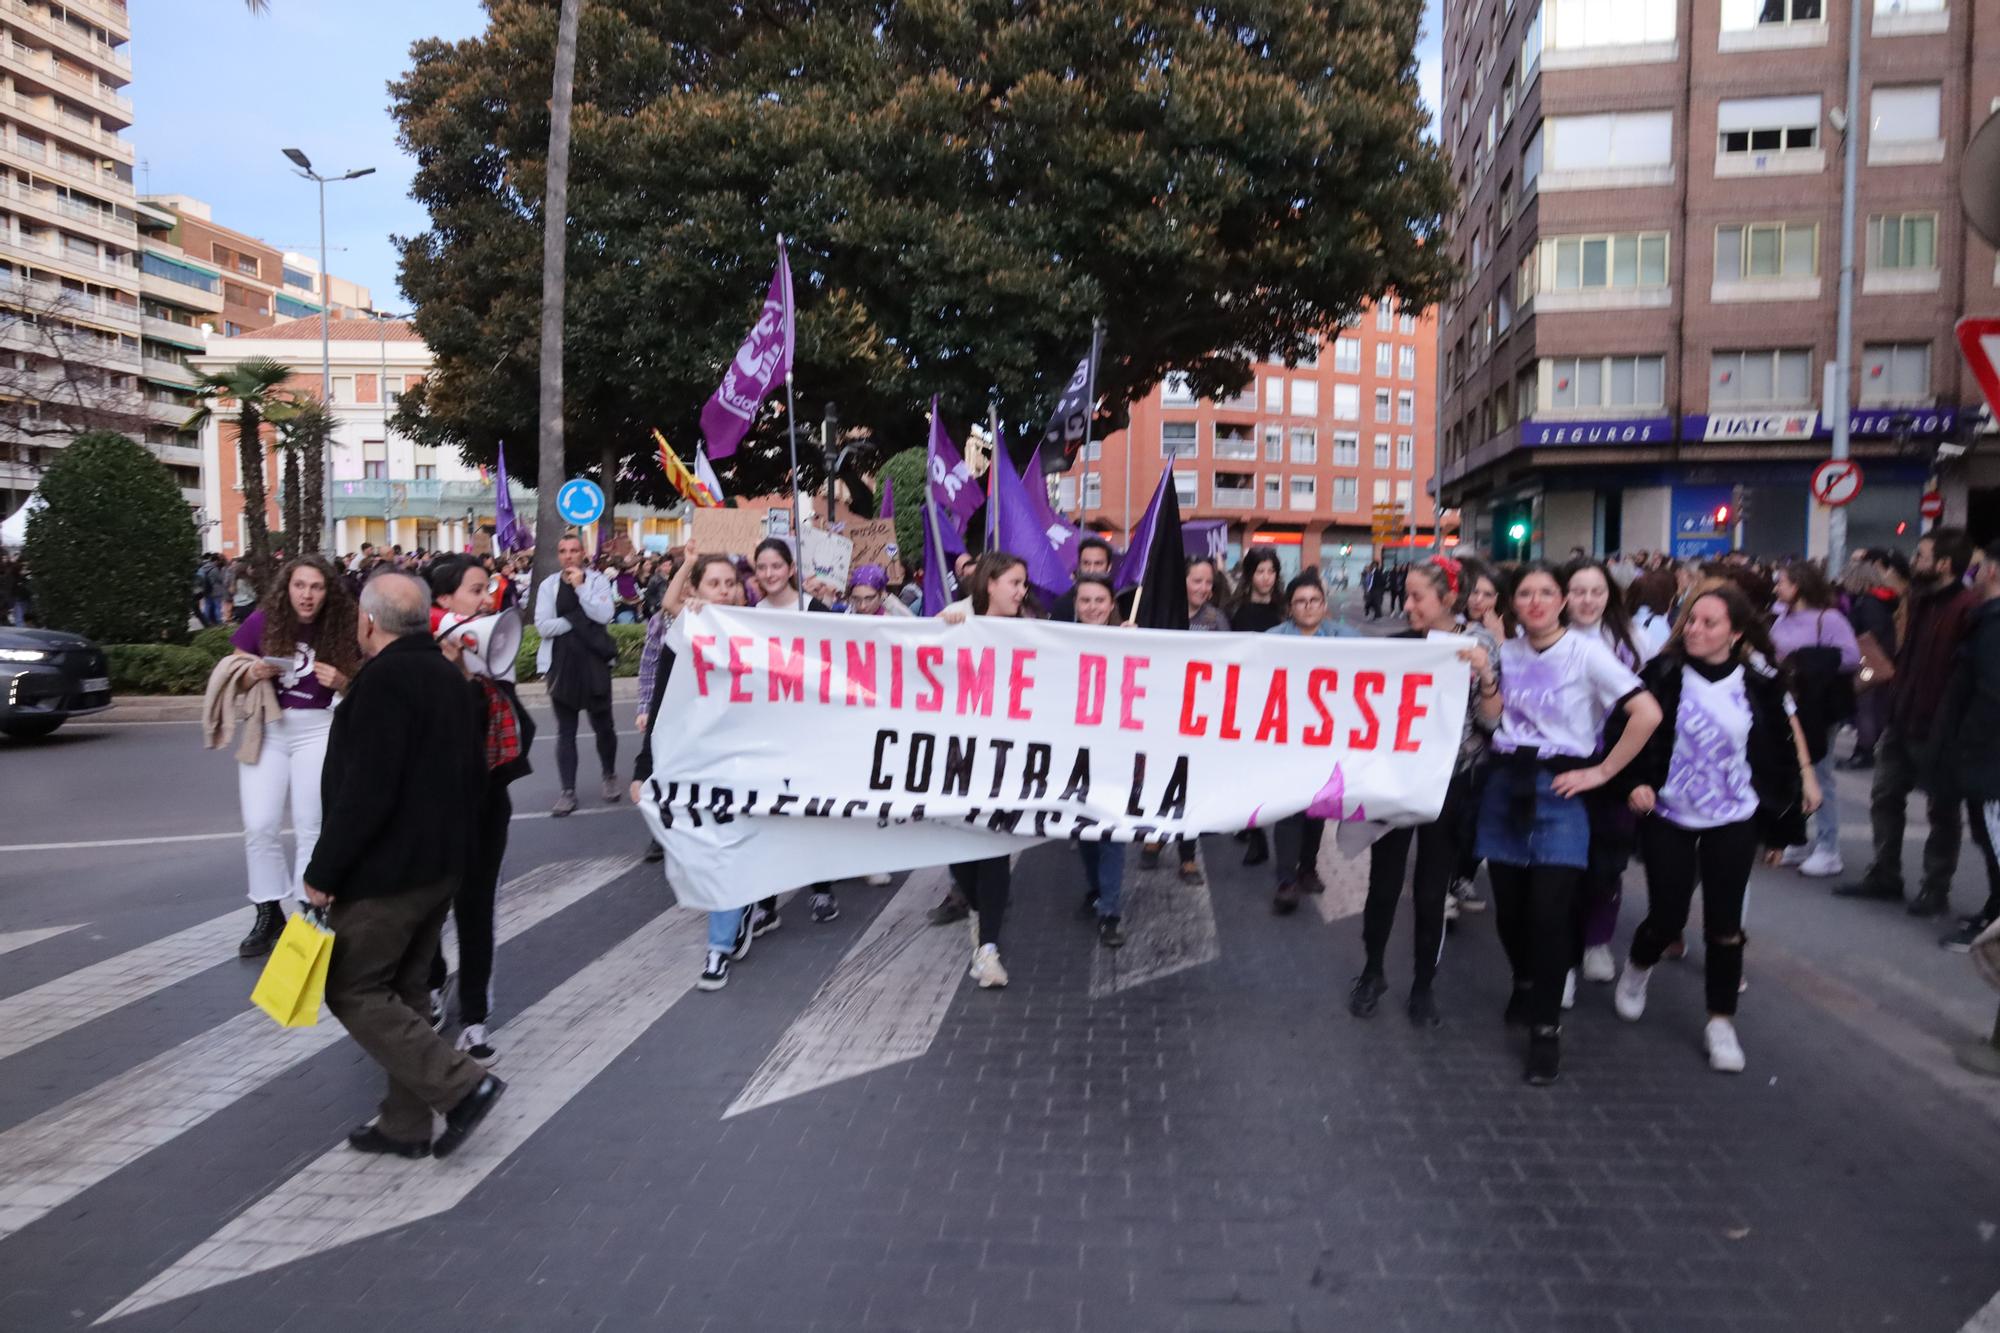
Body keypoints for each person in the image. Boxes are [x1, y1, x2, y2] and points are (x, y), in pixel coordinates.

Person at [303, 573, 504, 1160]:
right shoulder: (448, 676)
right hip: (439, 863)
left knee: (351, 986)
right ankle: (404, 1124)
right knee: (406, 988)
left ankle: (462, 1086)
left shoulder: (384, 682)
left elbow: (366, 792)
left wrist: (323, 873)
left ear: (369, 621)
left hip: (388, 871)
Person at [1615, 584, 1815, 1074]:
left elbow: (1778, 754)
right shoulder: (1661, 674)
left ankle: (1721, 1021)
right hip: (1670, 813)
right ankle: (1638, 969)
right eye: (1692, 621)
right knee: (1667, 916)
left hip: (1735, 816)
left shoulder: (1758, 684)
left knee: (1726, 926)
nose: (1696, 631)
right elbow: (1627, 734)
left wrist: (1781, 830)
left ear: (1737, 632)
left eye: (1710, 623)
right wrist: (1636, 783)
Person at [1477, 560, 1661, 1086]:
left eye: (1546, 592)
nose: (1535, 601)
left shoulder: (1588, 653)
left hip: (1561, 793)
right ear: (1513, 603)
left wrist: (1602, 771)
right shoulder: (1504, 653)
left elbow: (1646, 712)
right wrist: (1487, 677)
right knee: (1510, 913)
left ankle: (1546, 1030)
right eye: (1525, 593)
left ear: (1561, 601)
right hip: (1506, 787)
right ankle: (1525, 978)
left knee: (1550, 914)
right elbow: (1490, 719)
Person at [1349, 557, 1494, 1028]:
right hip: (1397, 780)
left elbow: (1492, 721)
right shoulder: (1397, 647)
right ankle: (1372, 972)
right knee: (1384, 881)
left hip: (1449, 785)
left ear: (1447, 599)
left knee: (1432, 890)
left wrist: (1485, 675)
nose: (1407, 605)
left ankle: (1423, 986)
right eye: (1406, 595)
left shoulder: (1480, 645)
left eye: (1417, 597)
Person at [631, 552, 766, 990]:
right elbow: (661, 707)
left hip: (752, 759)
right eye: (714, 583)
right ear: (697, 590)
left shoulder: (764, 631)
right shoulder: (685, 635)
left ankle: (721, 942)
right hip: (700, 762)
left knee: (735, 844)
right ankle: (730, 924)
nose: (724, 590)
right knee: (713, 849)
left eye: (731, 583)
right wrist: (643, 767)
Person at [423, 556, 536, 1059]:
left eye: (487, 589)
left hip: (487, 802)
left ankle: (474, 1016)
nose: (486, 598)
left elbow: (519, 732)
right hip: (437, 806)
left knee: (475, 909)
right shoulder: (421, 658)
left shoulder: (493, 654)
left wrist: (488, 685)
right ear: (444, 601)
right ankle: (430, 984)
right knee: (429, 905)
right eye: (474, 591)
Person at [1836, 529, 1982, 917]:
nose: (1914, 561)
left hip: (1939, 724)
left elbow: (1962, 673)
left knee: (1942, 809)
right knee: (1885, 795)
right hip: (1902, 716)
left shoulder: (1967, 608)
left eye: (1921, 555)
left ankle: (1935, 888)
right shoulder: (1918, 601)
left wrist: (1951, 726)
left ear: (1944, 564)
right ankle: (1885, 873)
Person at [227, 556, 358, 957]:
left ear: (327, 592)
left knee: (310, 824)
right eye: (300, 585)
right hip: (270, 729)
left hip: (318, 728)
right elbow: (232, 670)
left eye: (316, 587)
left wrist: (343, 682)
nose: (307, 594)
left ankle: (309, 910)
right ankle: (268, 913)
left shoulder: (343, 625)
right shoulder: (265, 622)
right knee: (260, 823)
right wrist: (252, 674)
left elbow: (369, 684)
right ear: (287, 588)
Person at [1563, 557, 1649, 993]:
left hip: (1617, 763)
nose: (1588, 600)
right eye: (1578, 591)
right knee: (1563, 863)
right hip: (1563, 763)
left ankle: (1598, 940)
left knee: (1608, 860)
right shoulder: (1545, 636)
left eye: (1597, 591)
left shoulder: (1632, 639)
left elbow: (1653, 706)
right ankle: (1562, 956)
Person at [745, 537, 841, 924]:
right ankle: (766, 903)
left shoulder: (817, 611)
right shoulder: (749, 614)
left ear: (790, 569)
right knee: (768, 815)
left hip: (811, 730)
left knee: (812, 815)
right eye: (763, 567)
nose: (769, 574)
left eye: (776, 566)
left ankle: (821, 891)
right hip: (767, 730)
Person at [955, 551, 1033, 988]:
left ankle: (988, 949)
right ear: (990, 584)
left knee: (994, 847)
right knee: (960, 850)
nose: (1021, 591)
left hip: (1006, 759)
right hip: (958, 759)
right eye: (1014, 583)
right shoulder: (954, 621)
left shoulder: (1031, 631)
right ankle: (977, 909)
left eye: (1023, 584)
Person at [1267, 572, 1362, 914]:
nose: (1308, 607)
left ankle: (1308, 868)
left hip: (1329, 738)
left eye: (1314, 601)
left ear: (1324, 605)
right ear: (1290, 608)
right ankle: (1285, 879)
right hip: (1287, 737)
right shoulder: (1272, 640)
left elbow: (1384, 662)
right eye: (1300, 602)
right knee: (1290, 808)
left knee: (1318, 808)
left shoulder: (1347, 638)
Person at [1770, 561, 1859, 879]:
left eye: (1783, 582)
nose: (1777, 587)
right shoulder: (1780, 615)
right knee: (1793, 771)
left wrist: (1809, 662)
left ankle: (1828, 847)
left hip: (1818, 707)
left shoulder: (1829, 619)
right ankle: (1798, 835)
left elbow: (1850, 657)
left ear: (1800, 586)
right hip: (1788, 703)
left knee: (1820, 773)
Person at [534, 533, 619, 815]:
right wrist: (576, 619)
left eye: (573, 550)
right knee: (565, 732)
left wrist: (581, 589)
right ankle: (567, 791)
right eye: (563, 551)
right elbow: (544, 626)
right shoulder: (548, 586)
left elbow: (604, 615)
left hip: (594, 664)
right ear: (558, 555)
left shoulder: (597, 581)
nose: (568, 555)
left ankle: (609, 775)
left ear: (583, 553)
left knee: (603, 726)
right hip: (561, 665)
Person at [1942, 540, 2000, 949]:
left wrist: (1967, 747)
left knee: (1995, 836)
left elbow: (1991, 693)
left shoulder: (1995, 625)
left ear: (1993, 570)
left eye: (1980, 565)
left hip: (1992, 756)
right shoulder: (1987, 620)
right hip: (1987, 752)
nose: (1974, 572)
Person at [1069, 572, 1130, 947]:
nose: (1092, 608)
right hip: (1074, 753)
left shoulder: (1128, 638)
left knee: (1112, 833)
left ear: (1111, 605)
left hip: (1116, 752)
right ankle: (1096, 891)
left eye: (1099, 601)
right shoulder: (1059, 640)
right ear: (1076, 605)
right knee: (1085, 832)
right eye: (1085, 601)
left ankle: (1110, 909)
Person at [1448, 561, 1507, 916]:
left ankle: (1463, 876)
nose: (1479, 600)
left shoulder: (1506, 635)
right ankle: (1445, 884)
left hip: (1494, 741)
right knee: (1454, 817)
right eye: (1474, 592)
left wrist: (1499, 642)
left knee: (1477, 817)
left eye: (1488, 594)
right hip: (1458, 744)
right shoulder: (1451, 631)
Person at [1840, 560, 1899, 770]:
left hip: (1868, 662)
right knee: (1871, 706)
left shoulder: (1867, 603)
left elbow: (1868, 633)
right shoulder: (1880, 601)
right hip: (1878, 660)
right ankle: (1865, 748)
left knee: (1865, 706)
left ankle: (1864, 750)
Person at [1051, 537, 1114, 622]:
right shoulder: (1062, 604)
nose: (1091, 570)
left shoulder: (1123, 602)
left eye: (1098, 563)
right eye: (1086, 563)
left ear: (1109, 567)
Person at [1229, 547, 1285, 634]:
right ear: (1250, 574)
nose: (1266, 578)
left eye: (1271, 571)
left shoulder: (1283, 610)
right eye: (1260, 571)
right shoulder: (1236, 610)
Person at [1185, 555, 1231, 631]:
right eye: (1197, 581)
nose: (1203, 589)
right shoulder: (1166, 616)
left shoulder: (1217, 620)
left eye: (1209, 582)